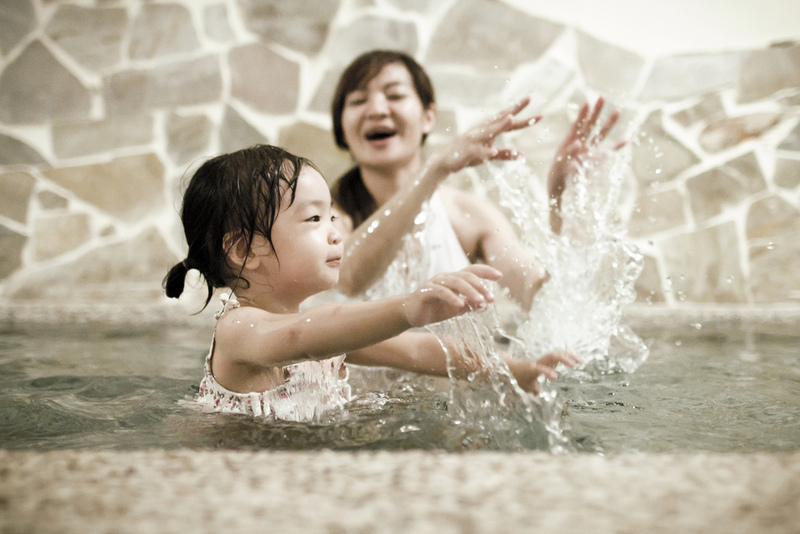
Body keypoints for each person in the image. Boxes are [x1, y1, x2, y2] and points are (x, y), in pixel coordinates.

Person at [163, 144, 579, 422]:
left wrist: (514, 371)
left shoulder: (321, 329)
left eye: (331, 217)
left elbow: (420, 350)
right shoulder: (239, 330)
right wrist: (406, 307)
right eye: (313, 219)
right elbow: (300, 336)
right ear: (243, 250)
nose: (334, 233)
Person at [330, 50, 623, 308]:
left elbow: (543, 303)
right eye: (358, 100)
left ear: (428, 117)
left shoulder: (469, 215)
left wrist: (561, 201)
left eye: (395, 95)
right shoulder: (325, 214)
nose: (377, 110)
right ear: (341, 128)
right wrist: (435, 168)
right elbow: (349, 279)